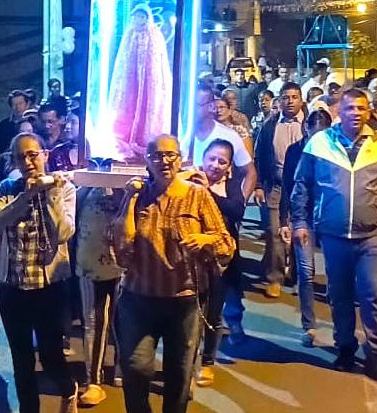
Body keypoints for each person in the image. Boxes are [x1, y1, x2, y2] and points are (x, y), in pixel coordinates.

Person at [113, 135, 235, 413]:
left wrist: (206, 239)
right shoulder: (139, 195)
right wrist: (130, 198)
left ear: (180, 160)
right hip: (139, 298)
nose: (164, 161)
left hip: (184, 299)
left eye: (170, 155)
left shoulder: (197, 195)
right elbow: (121, 249)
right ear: (147, 160)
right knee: (135, 367)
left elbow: (227, 244)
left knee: (179, 374)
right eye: (156, 155)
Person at [291, 89, 377, 380]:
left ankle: (375, 354)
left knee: (373, 295)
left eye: (361, 108)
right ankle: (345, 348)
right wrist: (300, 222)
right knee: (339, 296)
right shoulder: (319, 143)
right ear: (340, 111)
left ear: (368, 112)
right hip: (334, 235)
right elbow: (302, 185)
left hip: (371, 235)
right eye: (350, 108)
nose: (356, 113)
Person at [0, 132, 78, 413]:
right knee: (22, 359)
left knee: (51, 356)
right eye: (20, 157)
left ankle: (68, 389)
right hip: (12, 288)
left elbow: (64, 232)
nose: (27, 162)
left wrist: (49, 195)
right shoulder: (8, 187)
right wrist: (24, 198)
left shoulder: (64, 188)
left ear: (45, 156)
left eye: (33, 155)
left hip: (49, 288)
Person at [191, 139, 248, 386]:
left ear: (229, 167)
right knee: (190, 313)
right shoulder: (190, 181)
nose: (215, 165)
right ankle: (186, 361)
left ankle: (207, 362)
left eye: (222, 161)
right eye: (212, 159)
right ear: (203, 158)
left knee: (214, 313)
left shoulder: (232, 186)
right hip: (192, 260)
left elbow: (237, 210)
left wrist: (209, 192)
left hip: (221, 263)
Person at [279, 110, 332, 346]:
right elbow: (287, 187)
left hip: (330, 218)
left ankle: (341, 325)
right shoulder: (295, 151)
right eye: (314, 134)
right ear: (306, 129)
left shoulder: (336, 151)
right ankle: (309, 325)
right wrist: (285, 220)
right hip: (304, 218)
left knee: (336, 274)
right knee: (306, 271)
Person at [254, 82, 305, 298]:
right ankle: (274, 277)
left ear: (301, 100)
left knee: (300, 231)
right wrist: (258, 185)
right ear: (279, 101)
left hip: (302, 187)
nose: (290, 101)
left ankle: (298, 275)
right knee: (274, 232)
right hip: (275, 185)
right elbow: (259, 156)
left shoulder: (310, 123)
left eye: (294, 97)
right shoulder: (269, 126)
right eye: (285, 97)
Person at [75, 185, 124, 406]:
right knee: (94, 321)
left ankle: (123, 366)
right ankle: (93, 380)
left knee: (124, 319)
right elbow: (71, 209)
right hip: (91, 260)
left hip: (127, 260)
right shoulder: (86, 183)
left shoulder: (134, 178)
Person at [108, 4, 173, 160]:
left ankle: (146, 142)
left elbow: (158, 60)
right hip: (131, 81)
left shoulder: (154, 34)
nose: (139, 20)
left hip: (150, 83)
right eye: (136, 16)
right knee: (128, 107)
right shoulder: (130, 33)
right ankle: (124, 139)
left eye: (142, 17)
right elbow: (124, 59)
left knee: (146, 109)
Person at [190, 84, 257, 199]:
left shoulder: (229, 136)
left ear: (211, 106)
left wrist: (240, 203)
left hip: (218, 205)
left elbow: (250, 173)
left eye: (197, 105)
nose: (191, 109)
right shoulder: (179, 133)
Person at [0, 89, 34, 154]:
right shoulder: (3, 125)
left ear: (27, 104)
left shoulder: (34, 123)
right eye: (14, 104)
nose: (18, 107)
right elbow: (0, 147)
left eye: (20, 103)